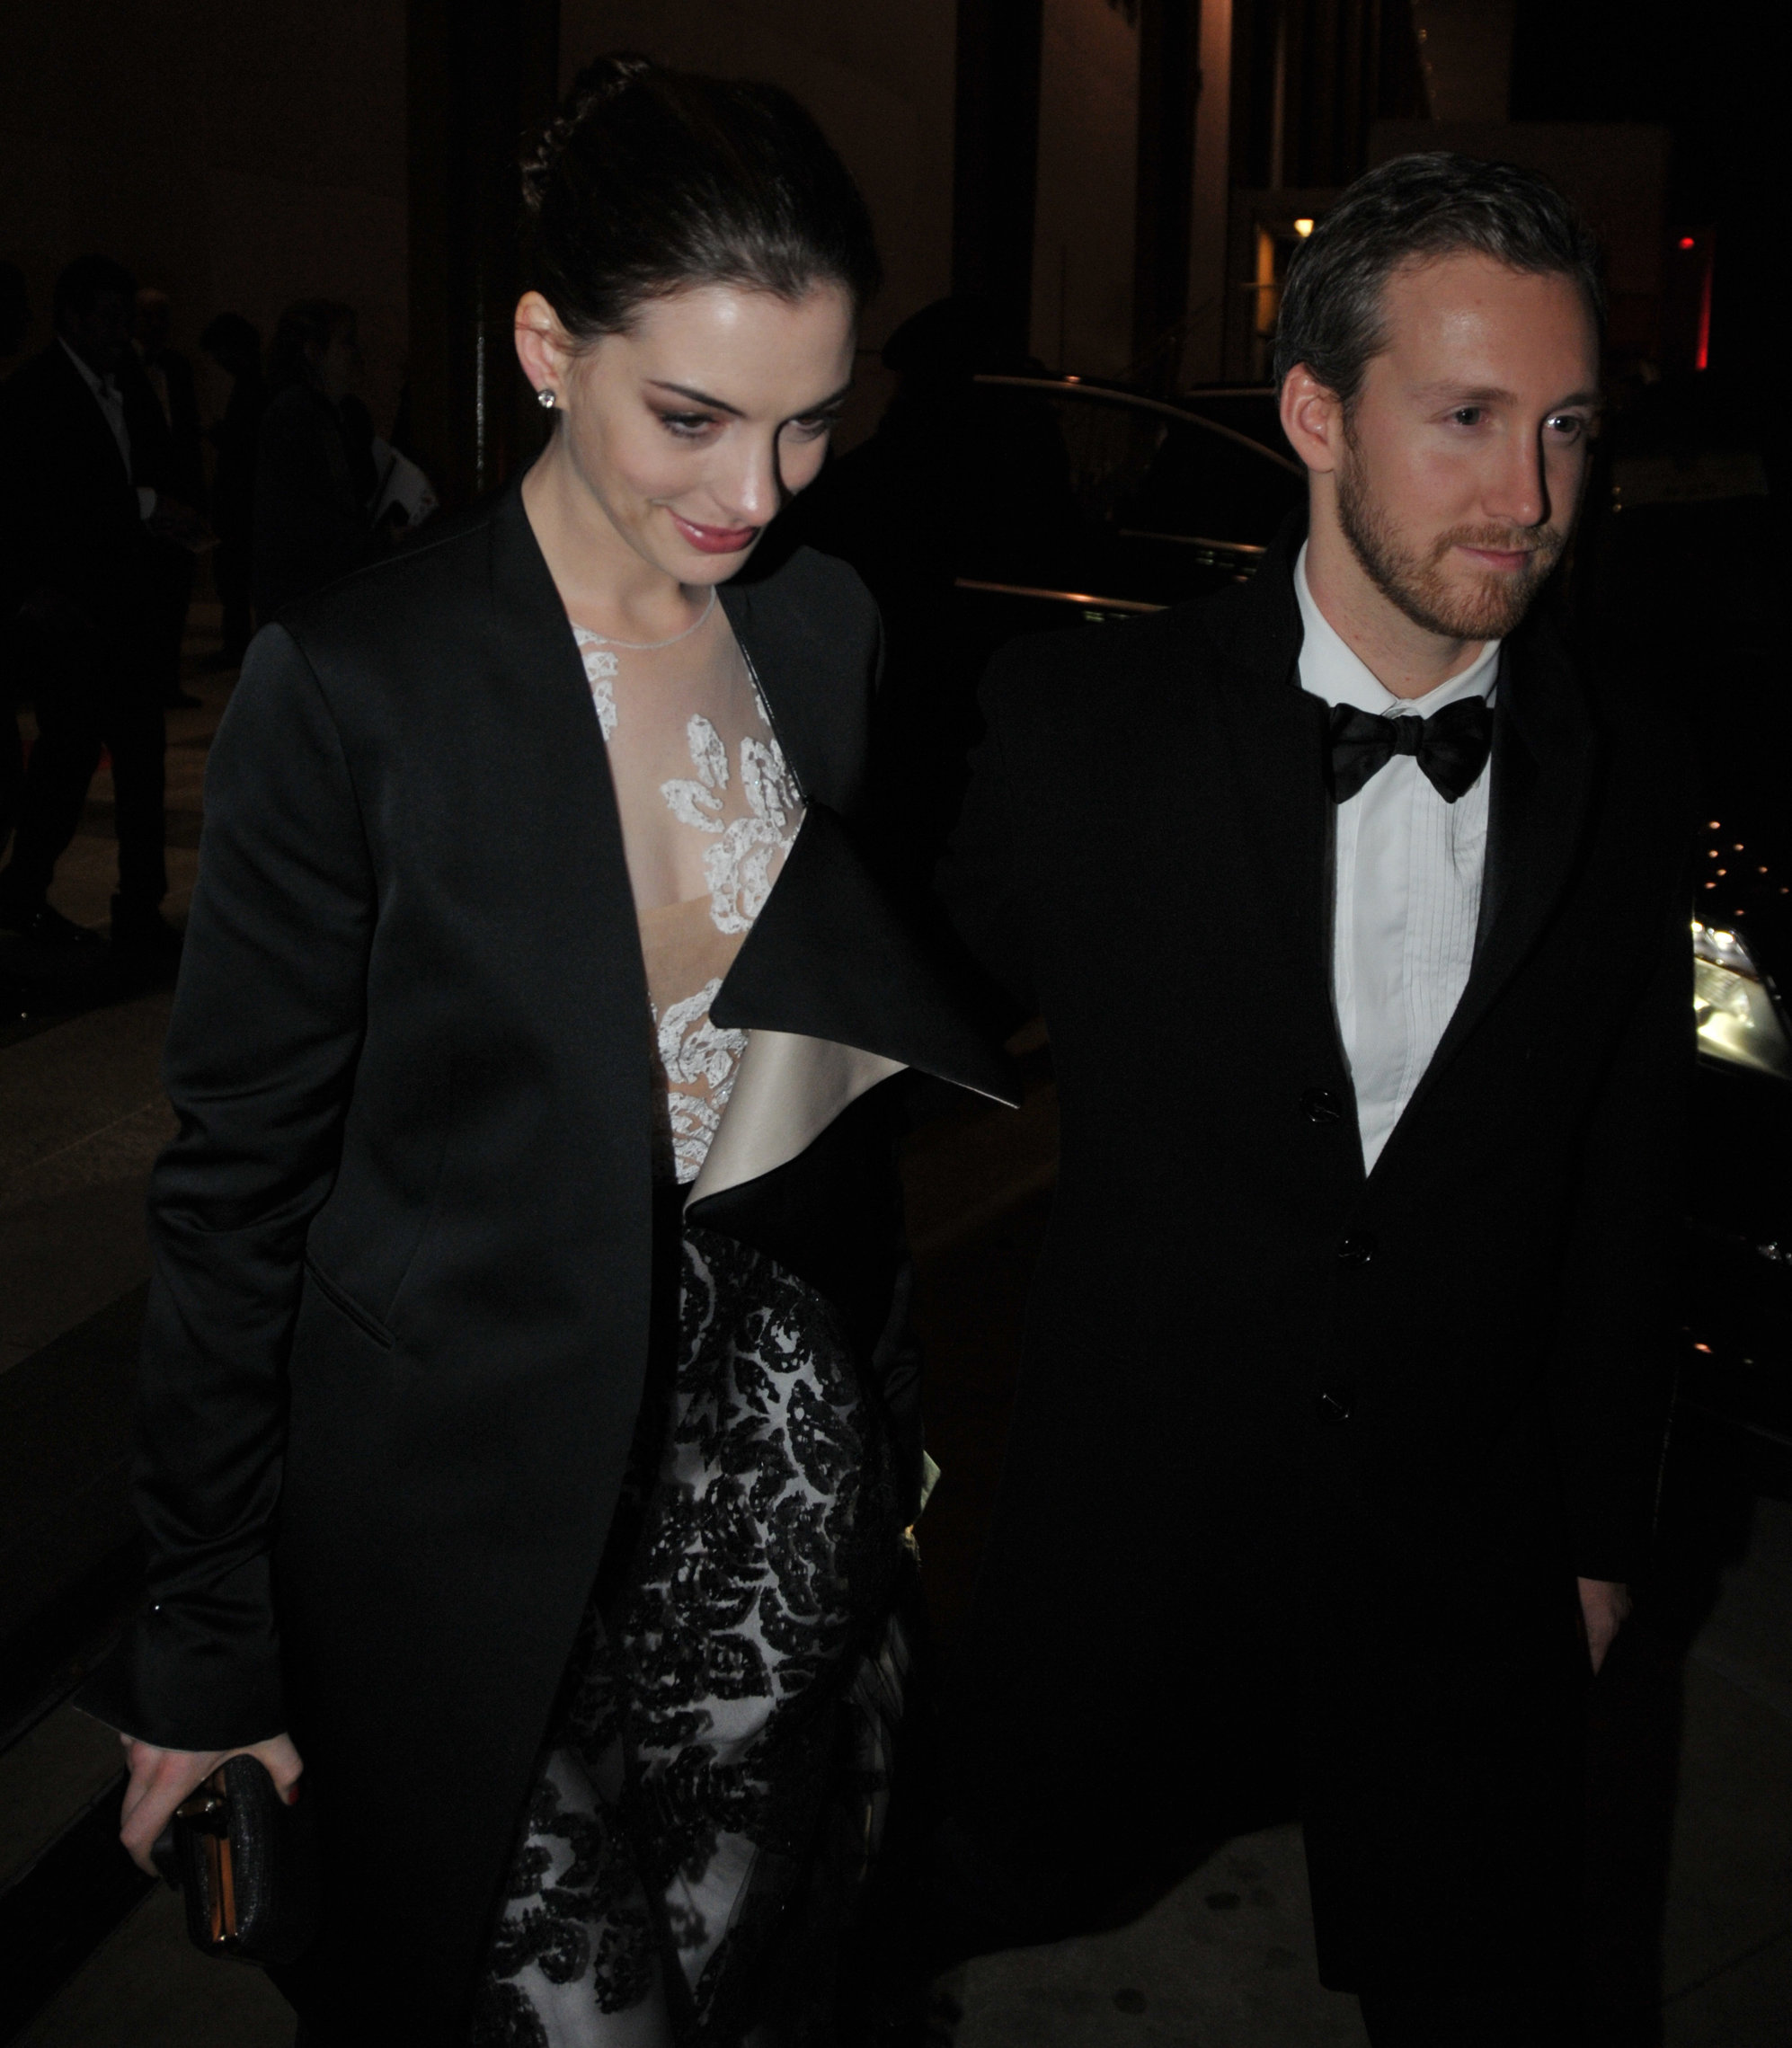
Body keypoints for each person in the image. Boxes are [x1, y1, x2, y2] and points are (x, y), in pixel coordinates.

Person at [83, 54, 1009, 2046]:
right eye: (689, 416)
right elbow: (235, 1189)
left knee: (752, 1975)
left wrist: (883, 1399)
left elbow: (810, 1057)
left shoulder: (824, 627)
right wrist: (203, 1641)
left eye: (806, 425)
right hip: (457, 1525)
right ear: (541, 349)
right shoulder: (356, 688)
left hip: (769, 1476)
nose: (751, 494)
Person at [931, 154, 1690, 2045]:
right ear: (1311, 413)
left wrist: (1600, 1538)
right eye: (1463, 420)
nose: (1529, 500)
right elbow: (868, 1056)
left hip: (1471, 1562)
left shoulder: (1622, 773)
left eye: (1567, 429)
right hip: (1132, 1550)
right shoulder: (1074, 729)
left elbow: (1625, 1173)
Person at [0, 254, 200, 959]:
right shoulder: (34, 393)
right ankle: (22, 895)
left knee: (143, 766)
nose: (122, 334)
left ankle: (139, 908)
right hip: (74, 620)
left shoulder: (129, 388)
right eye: (109, 320)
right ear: (73, 319)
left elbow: (147, 469)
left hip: (129, 611)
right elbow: (44, 504)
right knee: (65, 765)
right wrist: (146, 507)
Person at [251, 299, 374, 619]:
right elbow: (310, 517)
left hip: (327, 588)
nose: (356, 354)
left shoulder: (342, 413)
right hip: (306, 596)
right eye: (346, 343)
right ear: (314, 352)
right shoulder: (295, 415)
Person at [135, 288, 208, 708]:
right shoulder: (124, 368)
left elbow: (187, 436)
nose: (158, 325)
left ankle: (165, 680)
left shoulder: (176, 368)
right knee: (146, 599)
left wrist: (195, 498)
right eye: (150, 316)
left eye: (164, 316)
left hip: (177, 497)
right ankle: (147, 682)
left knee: (175, 595)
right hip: (143, 502)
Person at [198, 312, 266, 666]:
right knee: (235, 579)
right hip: (241, 499)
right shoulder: (253, 382)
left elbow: (245, 443)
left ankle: (237, 645)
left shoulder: (252, 384)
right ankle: (237, 643)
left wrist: (220, 434)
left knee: (234, 578)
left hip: (241, 501)